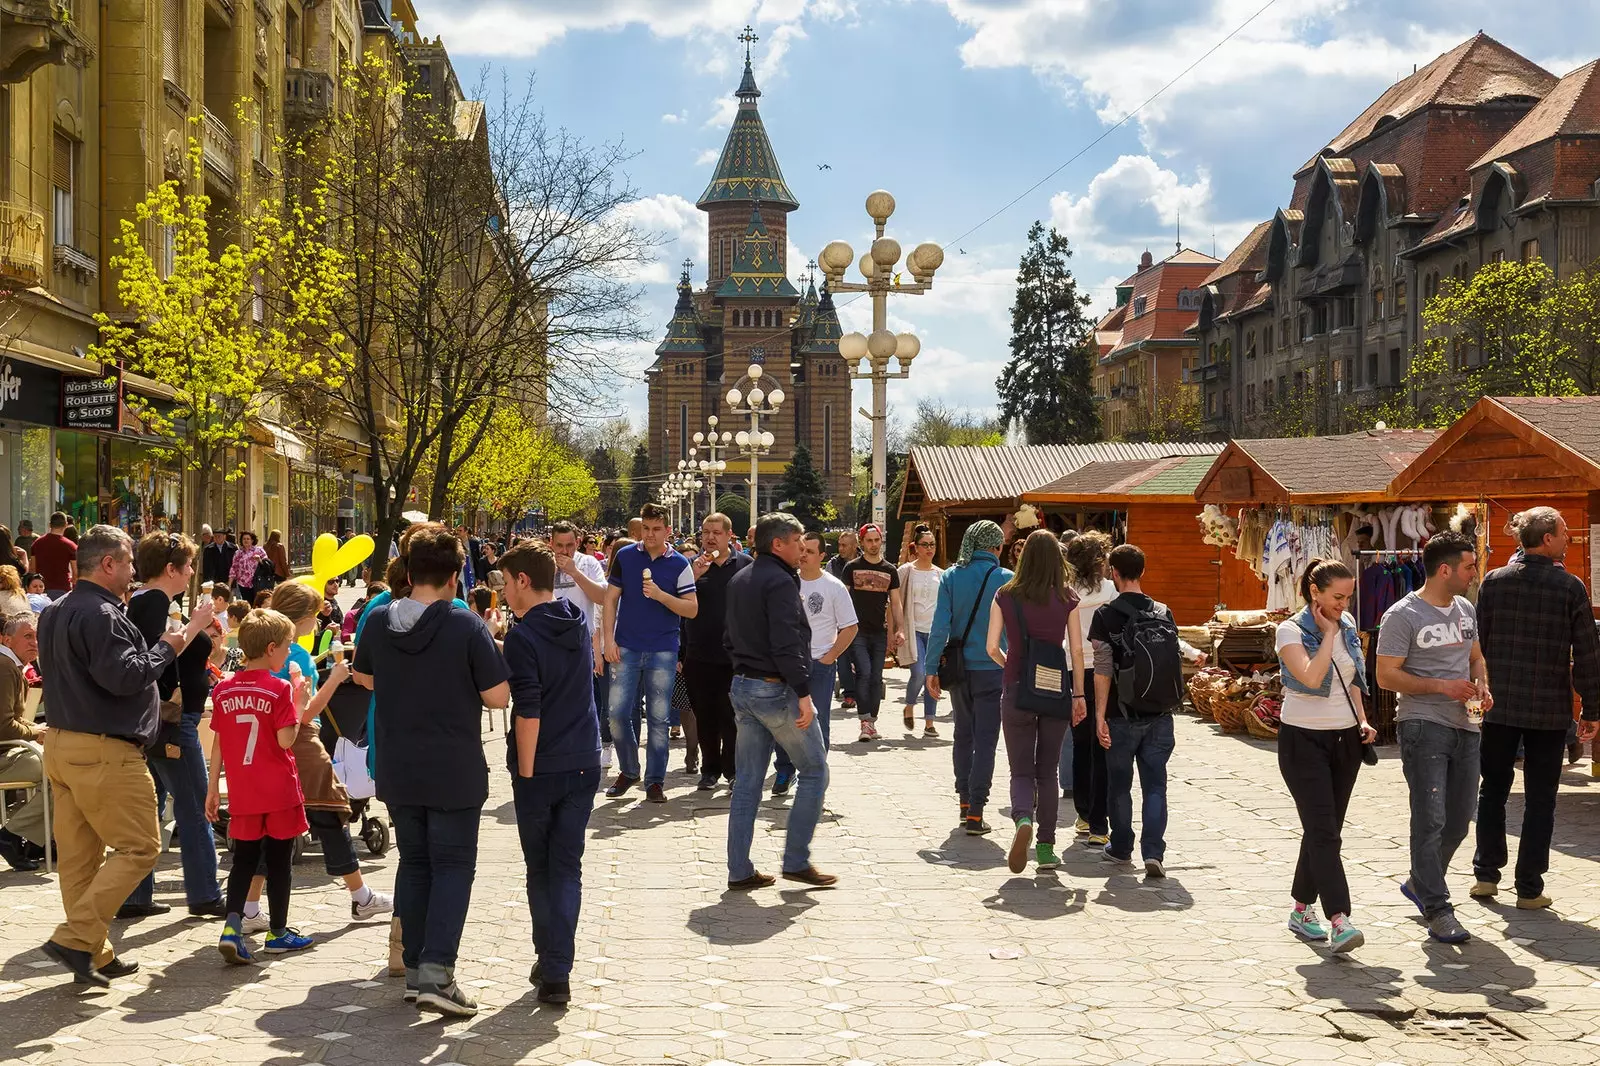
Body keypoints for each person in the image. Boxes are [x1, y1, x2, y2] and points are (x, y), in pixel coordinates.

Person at [36, 525, 213, 986]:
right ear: (108, 564)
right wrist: (169, 645)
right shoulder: (102, 615)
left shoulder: (55, 611)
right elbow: (126, 677)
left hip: (62, 744)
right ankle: (77, 940)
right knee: (141, 848)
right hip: (103, 750)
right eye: (130, 561)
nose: (135, 570)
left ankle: (92, 951)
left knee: (79, 860)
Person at [353, 524, 510, 1016]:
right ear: (454, 575)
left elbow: (365, 675)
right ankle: (439, 976)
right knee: (453, 867)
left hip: (398, 766)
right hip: (453, 767)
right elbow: (498, 696)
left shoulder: (378, 620)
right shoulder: (465, 625)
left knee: (415, 863)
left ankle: (418, 969)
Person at [230, 582, 391, 933]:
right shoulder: (295, 656)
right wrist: (334, 678)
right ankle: (361, 896)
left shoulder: (257, 653)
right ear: (301, 619)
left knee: (264, 832)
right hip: (299, 743)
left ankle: (249, 908)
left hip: (263, 752)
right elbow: (303, 713)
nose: (316, 624)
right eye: (314, 617)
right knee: (332, 812)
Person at [1475, 508, 1600, 910]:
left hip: (1497, 705)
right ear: (1547, 539)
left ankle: (1486, 875)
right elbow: (1586, 655)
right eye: (1564, 532)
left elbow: (1478, 646)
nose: (1568, 538)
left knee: (1492, 789)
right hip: (1547, 709)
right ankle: (1528, 886)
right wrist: (1591, 709)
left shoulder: (1492, 582)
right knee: (1540, 798)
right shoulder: (1570, 587)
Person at [1375, 529, 1488, 944]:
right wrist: (1443, 687)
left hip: (1467, 726)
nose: (1475, 573)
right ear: (1445, 570)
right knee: (1430, 819)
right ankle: (1438, 907)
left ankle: (1419, 882)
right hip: (1423, 726)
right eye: (1469, 566)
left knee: (1458, 821)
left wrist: (1482, 685)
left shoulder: (1464, 609)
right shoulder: (1402, 615)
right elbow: (1386, 675)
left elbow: (1476, 659)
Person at [499, 542, 600, 1006]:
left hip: (542, 765)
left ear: (522, 579)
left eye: (505, 582)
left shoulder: (524, 636)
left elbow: (529, 710)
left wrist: (525, 773)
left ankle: (554, 964)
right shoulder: (574, 620)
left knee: (542, 869)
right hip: (585, 757)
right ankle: (556, 963)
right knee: (567, 867)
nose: (502, 592)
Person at [724, 513, 836, 890]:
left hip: (742, 686)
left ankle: (739, 869)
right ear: (778, 544)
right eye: (797, 541)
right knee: (815, 770)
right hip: (775, 690)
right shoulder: (780, 582)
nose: (803, 547)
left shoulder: (741, 578)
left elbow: (729, 637)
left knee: (748, 782)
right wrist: (804, 694)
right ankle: (797, 860)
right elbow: (787, 643)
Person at [118, 532, 226, 920]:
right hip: (171, 723)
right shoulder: (154, 603)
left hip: (163, 722)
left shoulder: (153, 602)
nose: (192, 571)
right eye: (188, 565)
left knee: (150, 808)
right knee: (194, 808)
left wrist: (205, 636)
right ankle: (204, 893)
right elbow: (159, 656)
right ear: (170, 569)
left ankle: (136, 895)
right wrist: (197, 626)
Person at [1275, 558, 1379, 954]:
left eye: (1348, 597)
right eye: (1337, 597)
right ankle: (1340, 918)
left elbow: (1351, 681)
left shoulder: (1348, 625)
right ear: (1314, 592)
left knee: (1324, 829)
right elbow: (1312, 677)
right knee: (1323, 831)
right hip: (1302, 741)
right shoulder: (1290, 630)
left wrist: (1363, 720)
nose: (1343, 604)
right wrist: (1327, 633)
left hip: (1345, 741)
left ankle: (1301, 909)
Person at [205, 608, 313, 963]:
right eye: (286, 646)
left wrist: (212, 787)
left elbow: (219, 740)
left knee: (244, 859)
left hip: (243, 789)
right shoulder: (280, 688)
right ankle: (278, 933)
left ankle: (232, 929)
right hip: (278, 788)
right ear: (270, 649)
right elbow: (285, 740)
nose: (288, 653)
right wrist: (298, 700)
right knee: (280, 860)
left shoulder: (222, 689)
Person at [989, 529, 1084, 873]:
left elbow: (990, 647)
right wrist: (1079, 694)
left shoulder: (1005, 595)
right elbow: (1075, 650)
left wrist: (1013, 667)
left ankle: (1021, 820)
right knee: (1048, 771)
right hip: (1055, 691)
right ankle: (1045, 847)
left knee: (1020, 770)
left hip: (1016, 689)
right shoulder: (1068, 597)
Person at [1090, 544, 1181, 878]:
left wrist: (1100, 715)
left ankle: (1122, 846)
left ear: (1114, 573)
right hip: (1160, 713)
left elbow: (1102, 669)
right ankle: (1154, 851)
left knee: (1120, 784)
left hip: (1120, 713)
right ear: (1142, 571)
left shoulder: (1105, 615)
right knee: (1155, 784)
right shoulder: (1163, 611)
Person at [600, 503, 698, 802]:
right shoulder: (627, 557)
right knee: (617, 714)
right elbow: (610, 600)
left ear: (667, 530)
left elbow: (691, 609)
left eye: (657, 529)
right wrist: (608, 639)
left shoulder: (680, 563)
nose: (651, 534)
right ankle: (629, 770)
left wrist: (661, 595)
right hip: (627, 646)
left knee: (658, 719)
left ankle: (655, 781)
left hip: (663, 650)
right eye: (646, 528)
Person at [923, 521, 1010, 835]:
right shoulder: (1007, 580)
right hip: (994, 669)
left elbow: (939, 627)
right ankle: (976, 810)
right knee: (986, 740)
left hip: (959, 671)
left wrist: (930, 669)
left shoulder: (950, 576)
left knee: (963, 734)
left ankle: (963, 800)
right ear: (997, 548)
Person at [682, 514, 752, 791]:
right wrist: (694, 576)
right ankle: (709, 769)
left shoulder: (746, 566)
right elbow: (676, 604)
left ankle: (732, 770)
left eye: (716, 532)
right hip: (698, 654)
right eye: (705, 532)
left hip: (735, 657)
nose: (710, 537)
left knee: (731, 716)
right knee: (705, 715)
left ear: (729, 535)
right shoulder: (690, 568)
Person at [1064, 532, 1115, 842]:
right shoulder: (1111, 591)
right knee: (1103, 743)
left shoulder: (1065, 592)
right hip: (1104, 671)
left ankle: (1083, 815)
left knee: (1080, 743)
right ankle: (1100, 821)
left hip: (1073, 670)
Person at [549, 522, 611, 771]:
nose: (565, 551)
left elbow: (601, 597)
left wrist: (575, 572)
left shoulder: (588, 563)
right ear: (550, 543)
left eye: (570, 545)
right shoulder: (543, 564)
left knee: (584, 700)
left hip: (581, 641)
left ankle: (587, 750)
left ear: (578, 542)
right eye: (559, 546)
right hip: (549, 642)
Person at [842, 524, 902, 742]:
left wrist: (899, 630)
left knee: (877, 677)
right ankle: (864, 721)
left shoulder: (890, 570)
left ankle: (872, 722)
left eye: (877, 540)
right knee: (864, 672)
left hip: (879, 631)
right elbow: (843, 599)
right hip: (857, 630)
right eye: (869, 540)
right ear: (862, 542)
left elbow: (896, 603)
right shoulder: (851, 568)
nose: (874, 544)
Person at [0, 615, 46, 870]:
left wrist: (38, 729)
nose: (35, 643)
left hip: (10, 751)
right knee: (61, 771)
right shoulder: (5, 666)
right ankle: (13, 835)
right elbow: (4, 726)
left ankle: (35, 840)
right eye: (28, 636)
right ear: (7, 639)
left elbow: (14, 721)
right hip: (4, 754)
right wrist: (38, 733)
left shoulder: (11, 665)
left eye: (37, 637)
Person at [896, 524, 945, 736]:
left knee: (932, 676)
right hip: (913, 629)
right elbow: (894, 600)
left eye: (932, 544)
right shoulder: (906, 571)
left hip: (934, 632)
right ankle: (909, 705)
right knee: (919, 673)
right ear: (915, 547)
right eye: (925, 545)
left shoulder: (942, 574)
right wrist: (895, 629)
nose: (929, 549)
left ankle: (929, 722)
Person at [828, 530, 861, 711]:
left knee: (862, 658)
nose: (840, 548)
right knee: (842, 657)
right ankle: (849, 694)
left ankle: (862, 691)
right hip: (840, 619)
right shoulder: (833, 565)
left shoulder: (864, 562)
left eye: (844, 545)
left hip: (863, 617)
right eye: (839, 545)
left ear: (855, 546)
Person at [31, 511, 76, 599]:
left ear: (49, 525)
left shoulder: (37, 543)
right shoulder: (70, 546)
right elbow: (76, 572)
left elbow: (32, 568)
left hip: (41, 589)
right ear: (66, 525)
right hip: (62, 590)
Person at [231, 531, 267, 605]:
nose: (246, 540)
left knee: (258, 603)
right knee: (247, 604)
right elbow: (233, 568)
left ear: (252, 540)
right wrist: (229, 583)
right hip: (243, 584)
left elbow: (268, 564)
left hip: (257, 582)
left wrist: (260, 560)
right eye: (244, 539)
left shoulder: (259, 550)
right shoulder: (238, 553)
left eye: (248, 539)